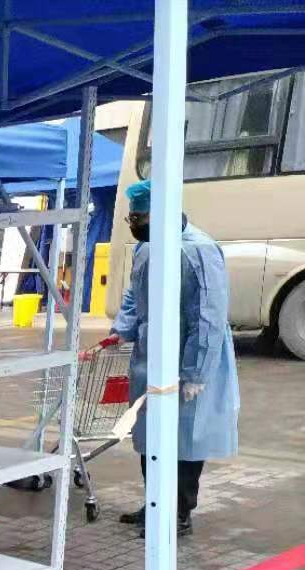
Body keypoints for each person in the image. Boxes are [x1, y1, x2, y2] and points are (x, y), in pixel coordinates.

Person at [90, 179, 239, 537]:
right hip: (152, 356)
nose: (134, 224)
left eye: (138, 218)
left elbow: (208, 316)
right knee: (151, 434)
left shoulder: (198, 251)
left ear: (163, 214)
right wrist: (121, 329)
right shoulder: (147, 248)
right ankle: (155, 503)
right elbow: (134, 295)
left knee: (184, 438)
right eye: (131, 218)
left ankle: (179, 513)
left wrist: (196, 373)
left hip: (189, 357)